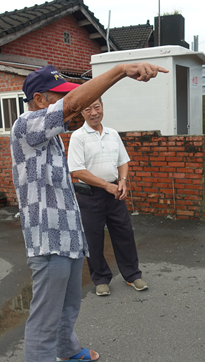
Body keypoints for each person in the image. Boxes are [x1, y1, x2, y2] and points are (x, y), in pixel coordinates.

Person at [11, 63, 167, 362]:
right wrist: (121, 70)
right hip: (48, 240)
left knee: (68, 305)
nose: (77, 107)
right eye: (59, 99)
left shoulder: (50, 139)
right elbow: (71, 106)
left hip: (68, 236)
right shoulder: (26, 127)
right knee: (46, 311)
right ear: (39, 100)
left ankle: (66, 350)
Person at [67, 98, 148, 296]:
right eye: (88, 109)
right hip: (90, 195)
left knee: (124, 233)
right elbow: (77, 171)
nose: (94, 112)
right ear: (81, 112)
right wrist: (106, 186)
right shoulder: (78, 137)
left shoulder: (113, 134)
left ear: (102, 107)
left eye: (97, 107)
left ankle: (132, 275)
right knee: (93, 237)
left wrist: (122, 181)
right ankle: (101, 278)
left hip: (115, 192)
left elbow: (123, 161)